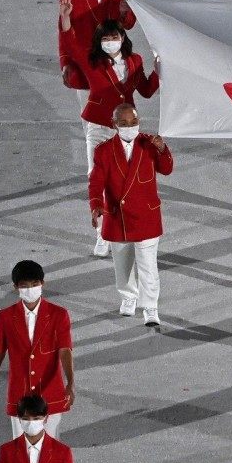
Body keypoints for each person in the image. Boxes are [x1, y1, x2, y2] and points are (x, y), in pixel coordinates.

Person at [59, 0, 159, 257]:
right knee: (98, 178)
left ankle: (120, 228)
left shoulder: (135, 61)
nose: (110, 41)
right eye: (106, 38)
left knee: (122, 183)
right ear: (100, 42)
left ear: (122, 38)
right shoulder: (92, 62)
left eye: (114, 36)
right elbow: (71, 41)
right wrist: (66, 18)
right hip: (99, 128)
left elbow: (147, 91)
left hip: (126, 129)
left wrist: (159, 70)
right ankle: (102, 233)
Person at [88, 104, 173, 323]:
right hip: (118, 216)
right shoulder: (104, 151)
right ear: (114, 124)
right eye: (124, 124)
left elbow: (166, 169)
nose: (129, 127)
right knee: (123, 265)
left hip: (146, 216)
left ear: (139, 122)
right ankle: (128, 297)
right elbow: (96, 182)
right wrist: (96, 204)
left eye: (133, 123)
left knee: (148, 266)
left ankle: (151, 307)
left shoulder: (149, 144)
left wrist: (163, 149)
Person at [0, 260, 74, 438]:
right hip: (20, 392)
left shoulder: (58, 314)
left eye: (35, 284)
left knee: (50, 443)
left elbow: (65, 349)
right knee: (20, 446)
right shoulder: (6, 316)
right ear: (16, 287)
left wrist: (70, 382)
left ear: (42, 284)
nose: (30, 289)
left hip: (50, 390)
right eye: (24, 286)